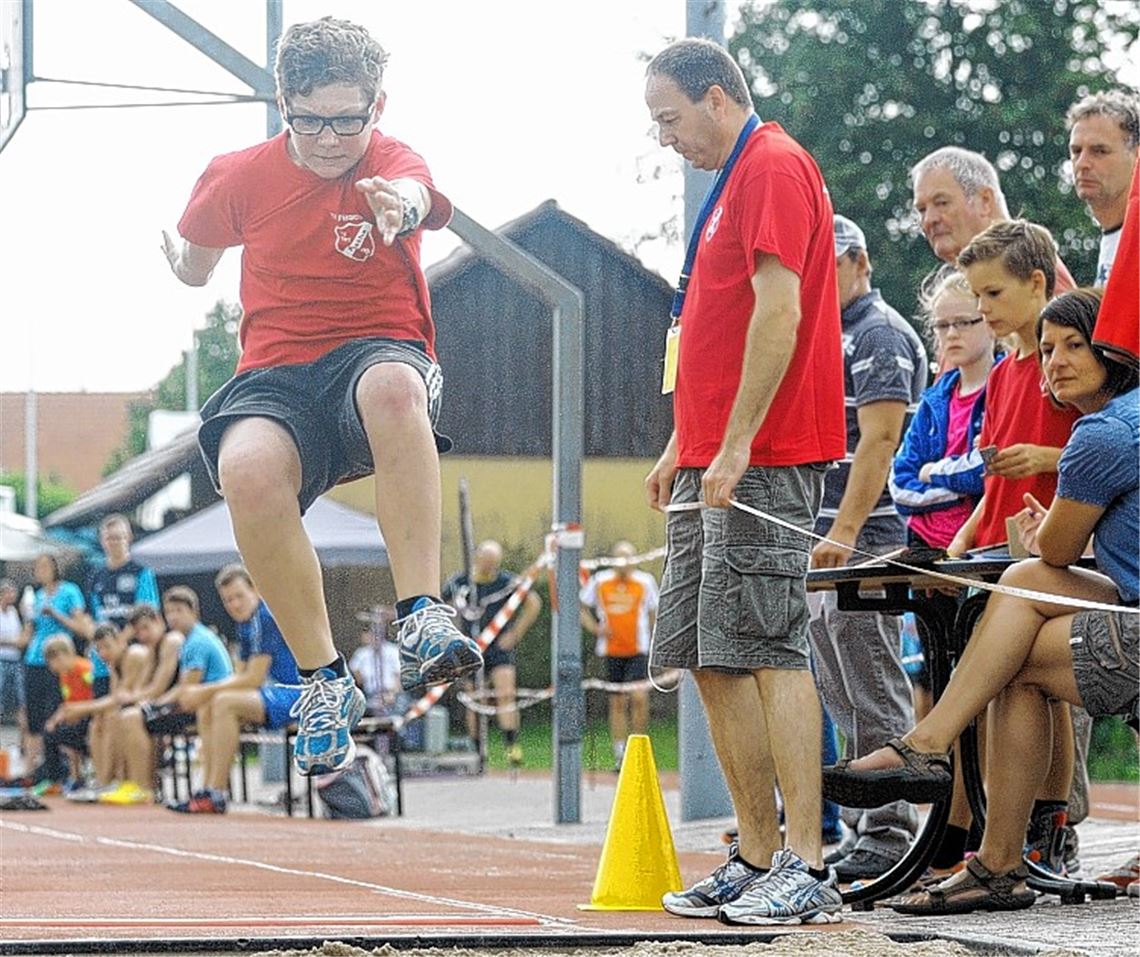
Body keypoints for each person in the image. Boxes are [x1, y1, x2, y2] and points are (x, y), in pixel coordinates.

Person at [162, 15, 480, 777]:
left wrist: (398, 204)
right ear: (283, 103)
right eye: (312, 122)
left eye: (350, 118)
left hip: (377, 348)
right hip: (277, 373)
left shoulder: (389, 156)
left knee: (396, 390)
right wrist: (179, 262)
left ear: (377, 103)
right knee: (243, 469)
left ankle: (423, 611)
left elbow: (417, 191)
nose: (334, 138)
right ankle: (322, 679)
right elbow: (198, 266)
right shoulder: (238, 176)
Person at [825, 288, 1139, 912]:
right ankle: (966, 798)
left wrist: (1045, 529)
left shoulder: (1103, 435)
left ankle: (970, 818)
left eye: (1075, 346)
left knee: (1015, 654)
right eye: (1047, 349)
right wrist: (1048, 534)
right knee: (1017, 599)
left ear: (1113, 351)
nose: (1055, 361)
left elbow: (1052, 552)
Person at [643, 39, 845, 925]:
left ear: (717, 97)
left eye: (669, 118)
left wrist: (735, 444)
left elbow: (779, 308)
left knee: (767, 645)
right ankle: (756, 848)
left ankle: (807, 859)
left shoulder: (771, 163)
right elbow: (711, 324)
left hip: (761, 455)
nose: (664, 138)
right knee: (709, 651)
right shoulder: (733, 178)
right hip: (711, 452)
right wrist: (685, 440)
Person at [806, 214, 928, 882]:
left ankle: (887, 824)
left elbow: (879, 441)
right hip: (827, 537)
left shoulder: (878, 333)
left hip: (865, 536)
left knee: (871, 679)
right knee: (838, 682)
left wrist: (845, 531)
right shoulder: (836, 331)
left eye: (827, 268)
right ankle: (863, 824)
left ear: (859, 260)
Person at [166, 565, 301, 814]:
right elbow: (239, 675)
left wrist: (203, 691)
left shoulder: (264, 618)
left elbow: (253, 679)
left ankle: (216, 792)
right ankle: (206, 786)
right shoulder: (245, 623)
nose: (234, 604)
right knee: (211, 703)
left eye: (239, 596)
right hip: (273, 694)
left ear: (255, 590)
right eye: (228, 600)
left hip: (297, 693)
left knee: (222, 701)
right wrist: (206, 694)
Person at [101, 587, 232, 806]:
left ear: (193, 611)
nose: (173, 617)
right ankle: (126, 782)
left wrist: (151, 703)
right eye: (170, 612)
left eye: (179, 611)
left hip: (205, 705)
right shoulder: (184, 640)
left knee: (131, 718)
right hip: (198, 703)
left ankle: (143, 788)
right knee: (127, 715)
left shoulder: (190, 642)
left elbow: (184, 688)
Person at [911, 146, 1076, 294]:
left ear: (985, 201)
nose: (929, 220)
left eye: (941, 203)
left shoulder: (1029, 264)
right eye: (922, 210)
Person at [442, 540, 541, 766]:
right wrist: (452, 634)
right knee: (475, 697)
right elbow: (441, 605)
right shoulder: (460, 581)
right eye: (486, 563)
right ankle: (478, 751)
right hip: (470, 646)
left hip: (498, 647)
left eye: (493, 564)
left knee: (505, 693)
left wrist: (515, 634)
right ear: (477, 558)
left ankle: (512, 746)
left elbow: (533, 603)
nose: (489, 568)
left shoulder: (506, 581)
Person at [83, 513, 160, 788]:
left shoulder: (141, 573)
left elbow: (144, 614)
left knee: (123, 714)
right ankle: (105, 779)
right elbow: (93, 617)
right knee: (101, 721)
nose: (113, 542)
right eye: (108, 537)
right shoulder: (97, 576)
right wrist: (101, 645)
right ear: (102, 541)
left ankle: (133, 779)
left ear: (128, 538)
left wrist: (119, 646)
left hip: (132, 659)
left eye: (118, 537)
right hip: (103, 661)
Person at [579, 541, 659, 771]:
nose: (624, 564)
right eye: (620, 558)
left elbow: (653, 612)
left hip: (638, 649)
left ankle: (639, 750)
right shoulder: (600, 581)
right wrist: (595, 628)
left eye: (629, 558)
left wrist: (654, 641)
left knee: (639, 697)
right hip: (611, 649)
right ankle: (619, 754)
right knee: (616, 702)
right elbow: (581, 607)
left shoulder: (645, 582)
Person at [1065, 90, 1140, 285]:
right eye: (1076, 151)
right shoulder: (1114, 238)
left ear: (1137, 156)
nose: (1082, 163)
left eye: (1099, 151)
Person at [21, 554, 86, 771]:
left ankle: (63, 767)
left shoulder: (69, 591)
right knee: (34, 716)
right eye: (37, 566)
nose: (41, 570)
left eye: (45, 566)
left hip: (60, 660)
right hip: (34, 659)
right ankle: (35, 769)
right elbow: (26, 636)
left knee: (56, 710)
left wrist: (56, 614)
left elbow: (80, 627)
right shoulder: (36, 596)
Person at [349, 607, 401, 715]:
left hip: (392, 697)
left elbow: (399, 677)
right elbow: (358, 679)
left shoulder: (393, 651)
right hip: (370, 696)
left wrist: (391, 694)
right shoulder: (361, 654)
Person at [0, 579, 26, 730]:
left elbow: (21, 635)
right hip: (1, 659)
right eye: (10, 592)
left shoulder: (14, 612)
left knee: (20, 698)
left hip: (15, 660)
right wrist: (13, 643)